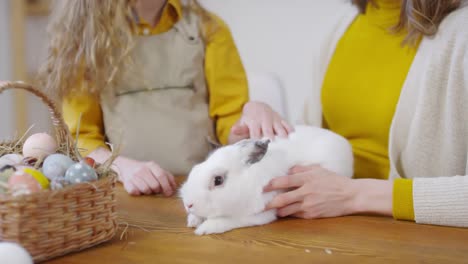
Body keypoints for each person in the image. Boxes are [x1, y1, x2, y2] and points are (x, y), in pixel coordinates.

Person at [40, 0, 291, 196]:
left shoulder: (209, 29)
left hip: (200, 194)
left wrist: (251, 115)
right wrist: (122, 168)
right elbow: (81, 137)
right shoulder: (85, 39)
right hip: (121, 197)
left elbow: (229, 125)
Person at [265, 0, 468, 227]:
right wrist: (260, 130)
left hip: (407, 236)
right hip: (321, 225)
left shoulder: (462, 34)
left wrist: (354, 195)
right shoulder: (341, 25)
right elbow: (310, 138)